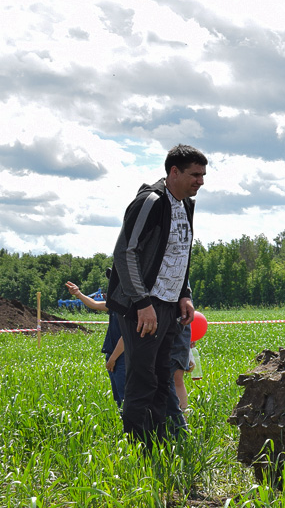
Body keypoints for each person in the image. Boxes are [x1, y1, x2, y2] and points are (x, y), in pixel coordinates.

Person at [107, 144, 207, 445]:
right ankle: (138, 448)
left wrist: (184, 294)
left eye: (203, 175)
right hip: (143, 307)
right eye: (195, 175)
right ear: (173, 172)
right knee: (143, 377)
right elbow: (125, 253)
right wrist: (142, 302)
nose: (200, 182)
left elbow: (179, 254)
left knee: (164, 375)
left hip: (169, 306)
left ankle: (159, 442)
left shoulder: (186, 204)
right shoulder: (150, 201)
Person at [65, 279, 190, 421]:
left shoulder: (133, 306)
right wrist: (78, 294)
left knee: (127, 397)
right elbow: (94, 304)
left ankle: (138, 428)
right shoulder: (117, 304)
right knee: (120, 398)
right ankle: (129, 426)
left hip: (122, 356)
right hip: (114, 355)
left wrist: (113, 358)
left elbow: (126, 337)